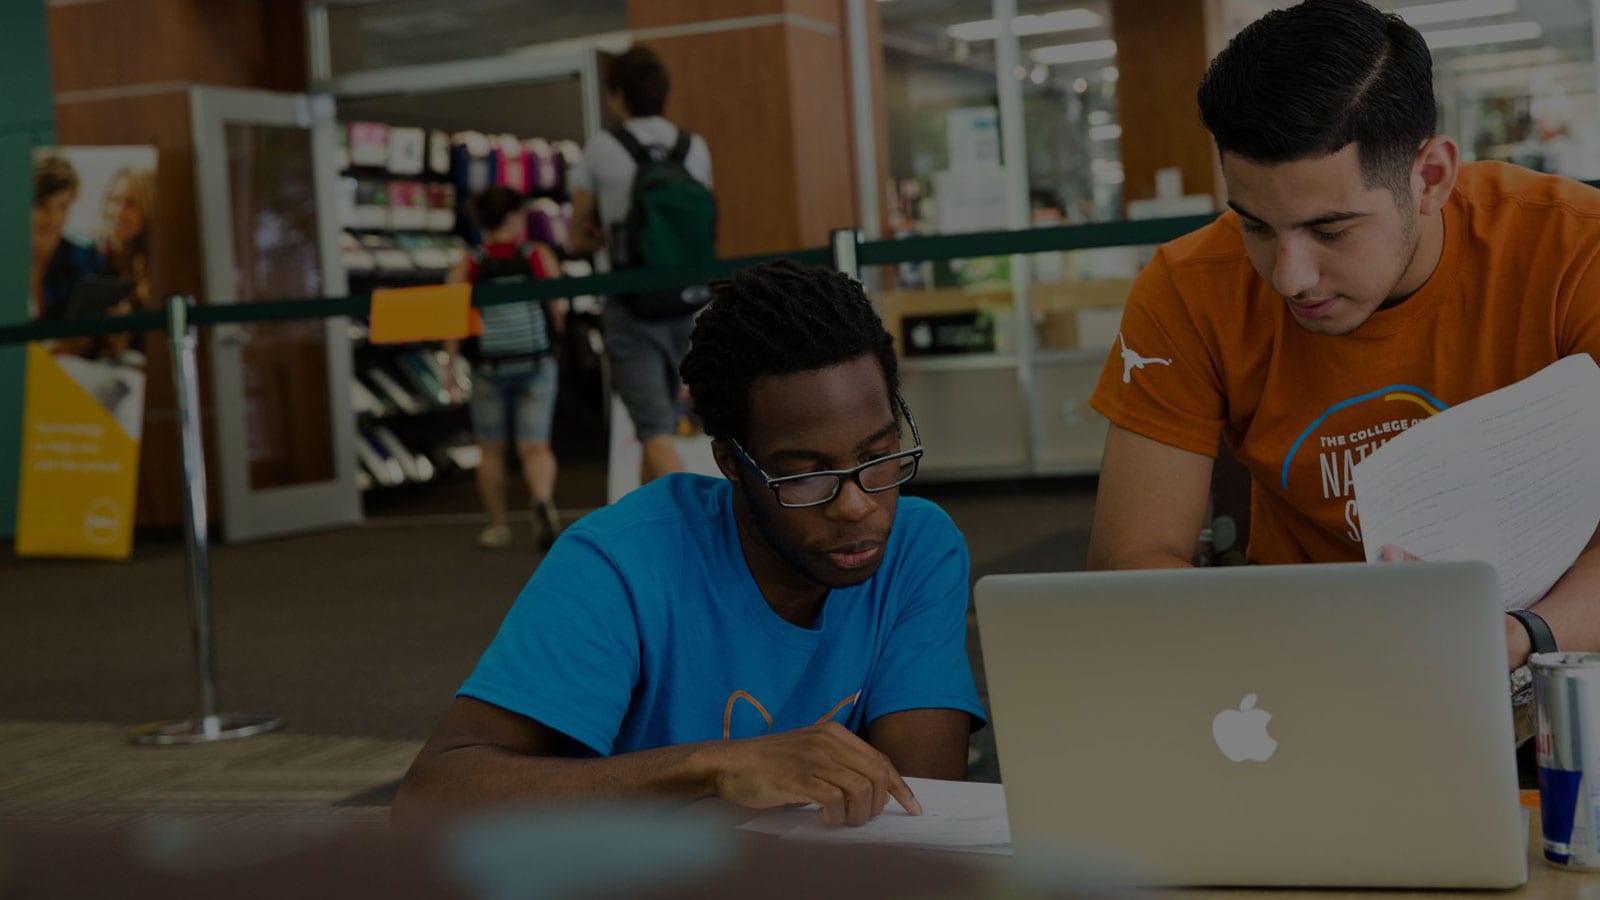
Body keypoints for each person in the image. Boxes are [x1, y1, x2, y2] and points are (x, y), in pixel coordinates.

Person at [1085, 0, 1600, 672]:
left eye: (1331, 230)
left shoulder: (1573, 249)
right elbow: (1130, 563)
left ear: (1431, 177)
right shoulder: (1188, 288)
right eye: (1256, 226)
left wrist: (1522, 635)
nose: (1291, 277)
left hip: (1560, 653)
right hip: (1300, 678)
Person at [394, 260, 985, 824]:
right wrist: (711, 767)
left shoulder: (916, 545)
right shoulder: (621, 563)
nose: (857, 504)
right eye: (805, 474)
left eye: (878, 456)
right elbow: (431, 801)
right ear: (730, 460)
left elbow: (924, 805)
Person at [567, 45, 713, 484]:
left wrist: (595, 232)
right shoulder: (694, 147)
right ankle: (656, 532)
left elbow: (575, 237)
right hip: (693, 301)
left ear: (617, 96)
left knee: (654, 431)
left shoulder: (601, 149)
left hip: (633, 305)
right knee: (673, 423)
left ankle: (692, 528)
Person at [443, 186, 565, 551]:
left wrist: (449, 362)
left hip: (488, 367)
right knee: (536, 446)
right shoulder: (537, 255)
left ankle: (497, 525)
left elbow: (454, 319)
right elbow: (556, 309)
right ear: (513, 216)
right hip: (535, 360)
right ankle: (542, 498)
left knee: (491, 449)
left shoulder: (469, 263)